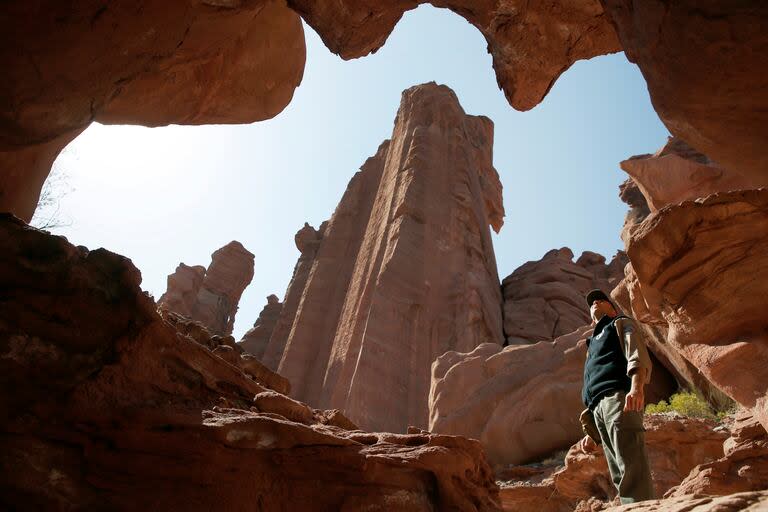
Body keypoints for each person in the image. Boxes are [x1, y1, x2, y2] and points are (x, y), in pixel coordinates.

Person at [578, 289, 655, 504]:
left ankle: (642, 508)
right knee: (619, 473)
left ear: (612, 309)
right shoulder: (591, 344)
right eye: (591, 302)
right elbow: (593, 386)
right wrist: (592, 431)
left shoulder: (619, 323)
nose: (595, 302)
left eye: (601, 300)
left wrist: (636, 387)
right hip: (599, 409)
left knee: (631, 465)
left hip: (619, 398)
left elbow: (636, 352)